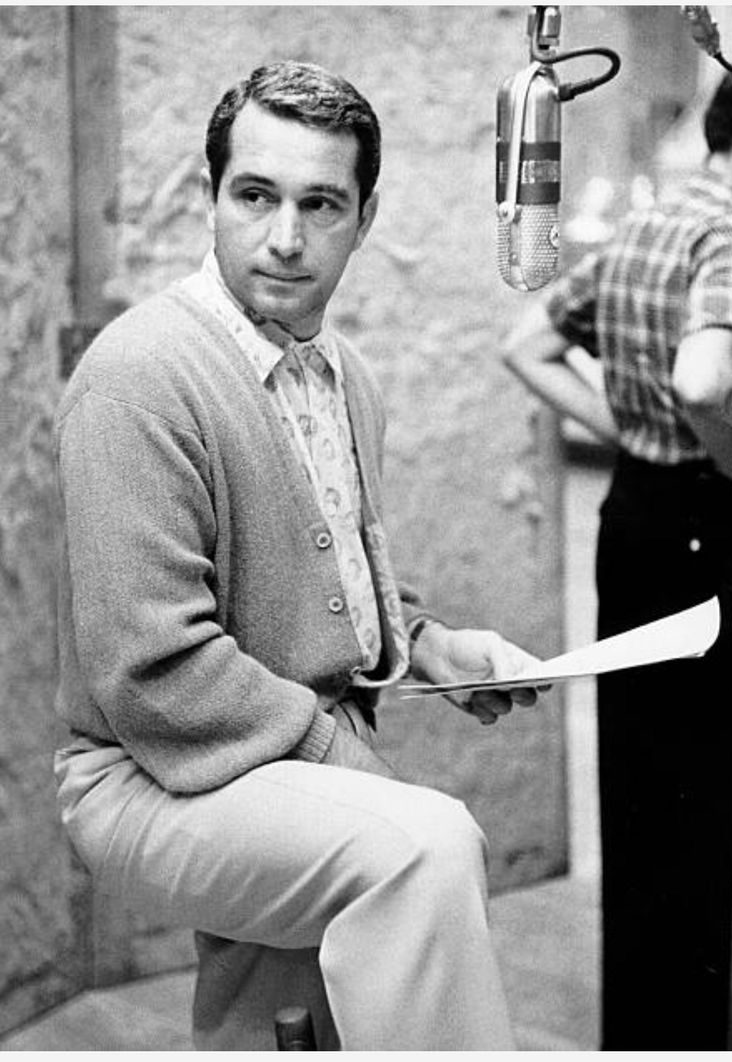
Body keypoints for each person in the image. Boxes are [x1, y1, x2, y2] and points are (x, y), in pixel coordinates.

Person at [52, 60, 544, 1051]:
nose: (285, 237)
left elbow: (330, 577)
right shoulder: (138, 377)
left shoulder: (343, 376)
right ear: (213, 197)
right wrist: (353, 760)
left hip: (267, 753)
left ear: (363, 219)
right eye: (255, 196)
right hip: (141, 775)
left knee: (281, 1023)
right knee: (422, 846)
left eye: (321, 204)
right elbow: (153, 675)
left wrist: (428, 645)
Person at [502, 73, 732, 1051]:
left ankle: (647, 1041)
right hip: (709, 525)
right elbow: (704, 378)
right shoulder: (729, 232)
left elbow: (529, 345)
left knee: (644, 797)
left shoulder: (650, 219)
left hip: (634, 517)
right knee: (713, 802)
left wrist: (633, 434)